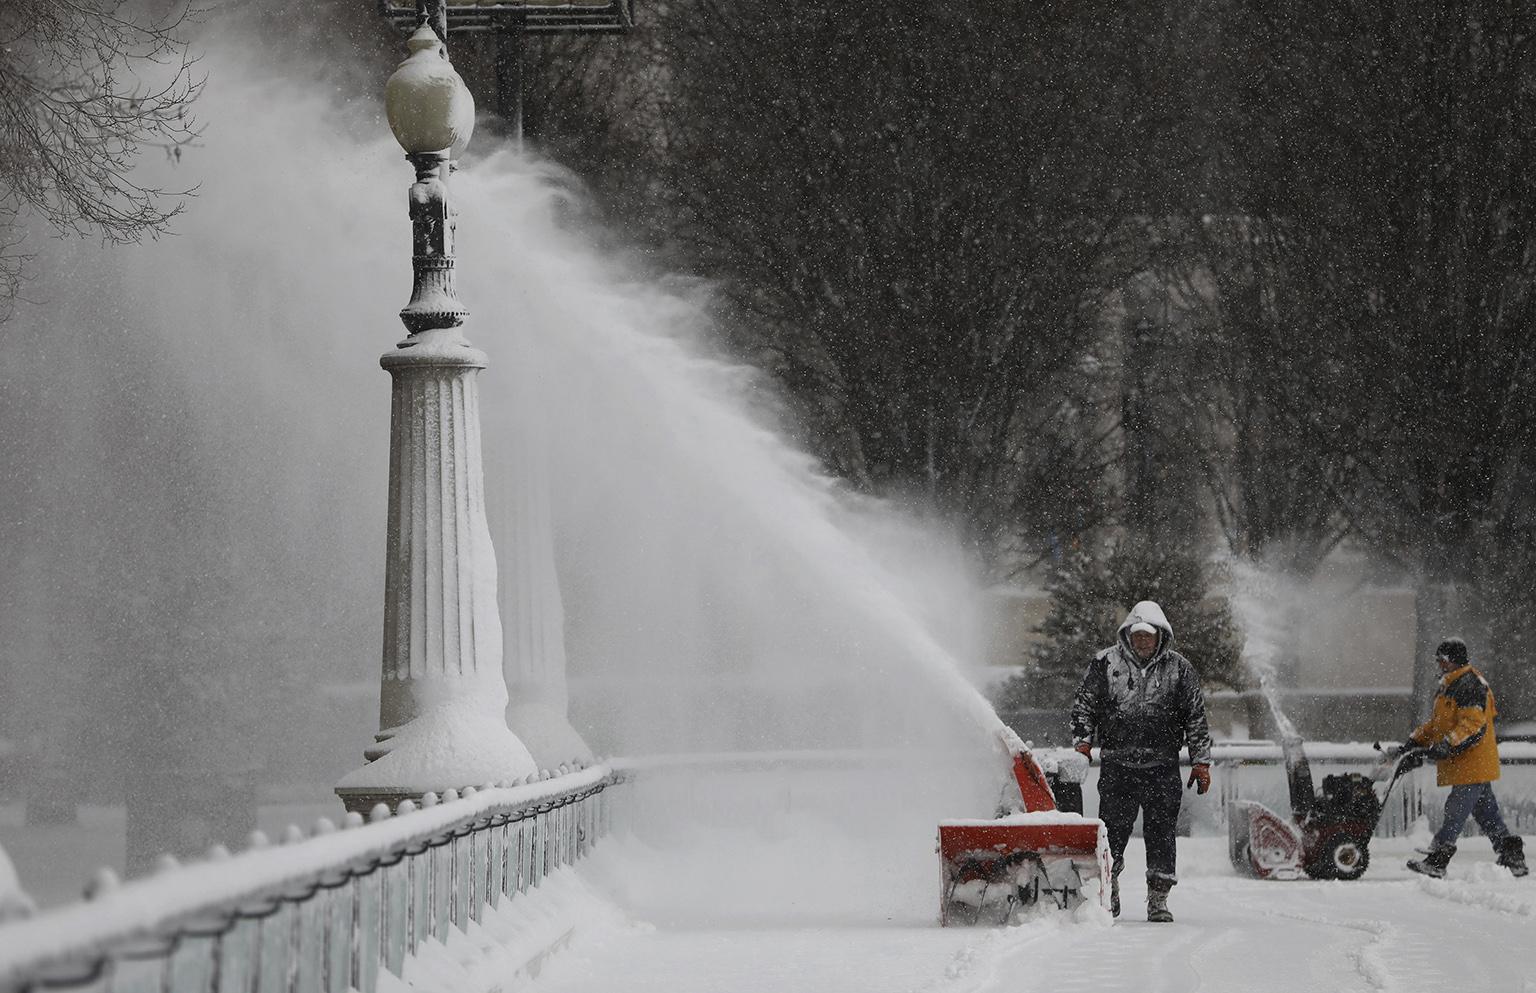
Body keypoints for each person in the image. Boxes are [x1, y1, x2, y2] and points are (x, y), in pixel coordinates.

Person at [1070, 600, 1212, 922]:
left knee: (1162, 834)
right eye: (1137, 635)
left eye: (1148, 635)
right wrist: (1082, 744)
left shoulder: (1180, 670)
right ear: (1128, 636)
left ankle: (1158, 899)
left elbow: (1196, 718)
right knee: (1112, 833)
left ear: (1160, 636)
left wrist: (1201, 761)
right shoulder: (1105, 664)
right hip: (1117, 766)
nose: (1142, 641)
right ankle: (1110, 887)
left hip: (1162, 767)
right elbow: (1084, 706)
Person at [1399, 637, 1527, 879]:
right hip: (1466, 763)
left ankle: (1438, 859)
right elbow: (1438, 724)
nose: (1439, 664)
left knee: (1455, 811)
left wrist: (1447, 744)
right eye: (1438, 660)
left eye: (1443, 660)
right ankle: (1512, 857)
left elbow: (1473, 725)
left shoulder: (1469, 685)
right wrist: (1415, 741)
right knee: (1486, 813)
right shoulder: (1450, 685)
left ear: (1455, 660)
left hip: (1472, 762)